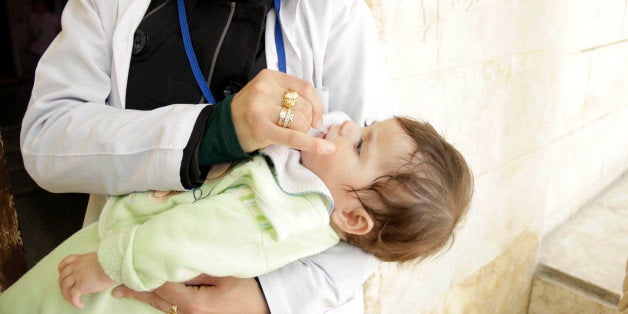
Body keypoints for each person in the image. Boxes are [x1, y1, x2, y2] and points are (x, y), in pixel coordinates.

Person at [19, 0, 395, 312]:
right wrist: (215, 130)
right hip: (127, 275)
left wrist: (267, 297)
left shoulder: (335, 14)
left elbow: (387, 209)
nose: (344, 127)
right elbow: (45, 139)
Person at [0, 112, 472, 312]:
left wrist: (102, 266)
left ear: (352, 218)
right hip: (121, 249)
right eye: (366, 125)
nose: (346, 123)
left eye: (360, 141)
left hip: (115, 278)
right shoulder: (309, 189)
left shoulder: (277, 218)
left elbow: (176, 241)